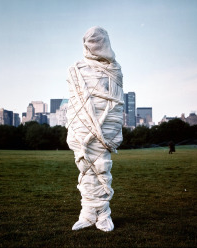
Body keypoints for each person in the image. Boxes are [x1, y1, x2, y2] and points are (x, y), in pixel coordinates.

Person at [66, 26, 124, 232]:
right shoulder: (76, 69)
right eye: (91, 41)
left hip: (104, 129)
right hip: (82, 129)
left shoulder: (114, 69)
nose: (95, 44)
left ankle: (103, 214)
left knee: (102, 167)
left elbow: (117, 103)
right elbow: (74, 102)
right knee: (86, 169)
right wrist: (75, 128)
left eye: (99, 40)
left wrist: (114, 128)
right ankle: (88, 213)